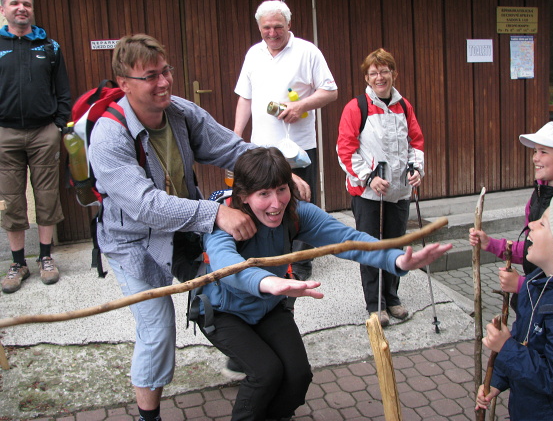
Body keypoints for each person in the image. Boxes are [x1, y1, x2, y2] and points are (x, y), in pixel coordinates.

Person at [87, 34, 309, 421]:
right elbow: (144, 204)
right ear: (124, 83)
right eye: (151, 76)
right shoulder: (108, 136)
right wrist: (214, 215)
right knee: (157, 329)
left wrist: (279, 172)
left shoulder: (180, 112)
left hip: (182, 231)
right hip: (134, 244)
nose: (164, 82)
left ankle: (254, 359)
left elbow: (231, 148)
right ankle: (148, 416)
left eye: (166, 71)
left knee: (231, 276)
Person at [194, 147, 451, 421]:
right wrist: (268, 282)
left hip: (267, 306)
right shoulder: (224, 219)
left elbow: (348, 240)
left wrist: (398, 260)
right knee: (266, 373)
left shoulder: (296, 214)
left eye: (281, 189)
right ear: (244, 196)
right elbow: (225, 265)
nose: (276, 203)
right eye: (264, 194)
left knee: (298, 375)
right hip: (224, 312)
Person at [233, 0, 338, 282]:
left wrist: (301, 105)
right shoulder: (253, 54)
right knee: (265, 203)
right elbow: (245, 97)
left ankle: (301, 263)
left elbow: (331, 91)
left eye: (277, 26)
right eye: (266, 27)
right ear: (259, 27)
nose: (272, 32)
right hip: (259, 149)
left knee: (298, 203)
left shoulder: (307, 51)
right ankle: (270, 259)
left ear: (289, 24)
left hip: (298, 150)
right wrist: (236, 136)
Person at [475, 195, 553, 420]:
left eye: (542, 223)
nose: (531, 225)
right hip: (527, 408)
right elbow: (523, 341)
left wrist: (505, 348)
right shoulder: (535, 284)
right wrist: (497, 381)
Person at [336, 48, 424, 325]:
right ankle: (376, 304)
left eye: (384, 71)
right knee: (372, 249)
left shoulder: (404, 106)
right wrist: (368, 177)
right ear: (367, 77)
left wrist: (416, 169)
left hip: (399, 192)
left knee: (395, 248)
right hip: (369, 195)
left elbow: (416, 143)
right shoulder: (356, 107)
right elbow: (345, 150)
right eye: (373, 73)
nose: (379, 77)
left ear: (394, 74)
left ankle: (393, 299)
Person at [0, 0, 71, 294]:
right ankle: (18, 263)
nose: (21, 8)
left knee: (45, 195)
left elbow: (63, 92)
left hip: (44, 132)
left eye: (26, 3)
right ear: (3, 10)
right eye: (15, 3)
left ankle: (45, 258)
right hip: (5, 134)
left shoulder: (50, 47)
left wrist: (58, 125)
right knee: (10, 200)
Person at [469, 121, 553, 298]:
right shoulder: (539, 194)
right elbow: (534, 247)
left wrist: (524, 286)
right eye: (535, 151)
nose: (535, 158)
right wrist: (490, 244)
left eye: (543, 152)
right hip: (533, 301)